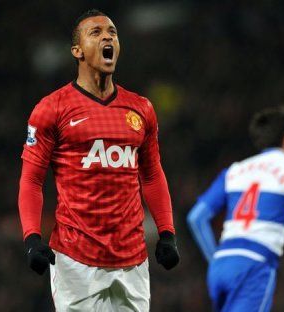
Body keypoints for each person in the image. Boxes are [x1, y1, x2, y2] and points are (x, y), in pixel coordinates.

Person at [18, 9, 179, 311]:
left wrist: (167, 233)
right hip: (76, 260)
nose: (108, 36)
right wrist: (31, 237)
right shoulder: (52, 109)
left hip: (133, 260)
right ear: (77, 51)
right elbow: (31, 179)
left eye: (113, 32)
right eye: (96, 32)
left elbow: (152, 175)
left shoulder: (140, 109)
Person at [187, 106, 284, 312]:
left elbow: (196, 218)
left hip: (221, 266)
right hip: (254, 266)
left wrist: (215, 258)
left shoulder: (235, 170)